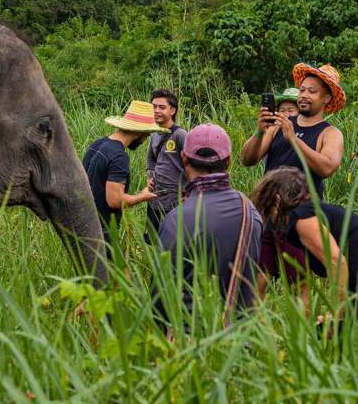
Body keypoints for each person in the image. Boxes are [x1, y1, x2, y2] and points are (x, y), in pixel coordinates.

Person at [252, 168, 358, 331]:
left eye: (268, 208)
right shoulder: (315, 211)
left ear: (277, 201)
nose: (271, 218)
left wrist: (336, 314)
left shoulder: (302, 218)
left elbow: (337, 262)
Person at [157, 124, 263, 321]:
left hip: (188, 339)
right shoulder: (249, 211)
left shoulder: (176, 219)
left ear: (183, 158)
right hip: (239, 340)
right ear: (229, 162)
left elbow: (161, 294)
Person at [240, 63, 345, 200]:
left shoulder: (330, 133)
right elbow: (247, 160)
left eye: (312, 91)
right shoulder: (279, 124)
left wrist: (294, 139)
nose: (304, 95)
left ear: (327, 98)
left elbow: (326, 168)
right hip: (270, 207)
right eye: (302, 90)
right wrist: (259, 132)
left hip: (305, 213)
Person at [82, 100, 165, 244]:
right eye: (147, 134)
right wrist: (142, 196)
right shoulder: (118, 156)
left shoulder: (97, 145)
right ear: (139, 132)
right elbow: (114, 200)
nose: (145, 140)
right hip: (102, 231)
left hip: (84, 225)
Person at [145, 89, 188, 244]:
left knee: (173, 241)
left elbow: (191, 164)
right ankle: (152, 268)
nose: (156, 110)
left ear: (173, 110)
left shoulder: (180, 135)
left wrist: (188, 192)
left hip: (175, 200)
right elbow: (151, 159)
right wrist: (150, 178)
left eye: (162, 107)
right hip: (155, 197)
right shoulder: (155, 133)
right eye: (154, 106)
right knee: (152, 240)